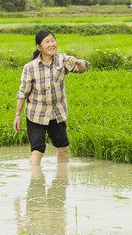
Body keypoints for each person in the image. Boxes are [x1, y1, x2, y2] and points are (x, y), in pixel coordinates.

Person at [13, 30, 89, 166]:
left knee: (63, 147)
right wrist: (17, 115)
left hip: (57, 113)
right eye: (47, 42)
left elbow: (82, 68)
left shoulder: (62, 60)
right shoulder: (30, 68)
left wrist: (77, 62)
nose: (51, 44)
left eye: (53, 40)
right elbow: (22, 92)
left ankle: (62, 180)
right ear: (38, 47)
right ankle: (36, 183)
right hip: (36, 114)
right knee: (38, 150)